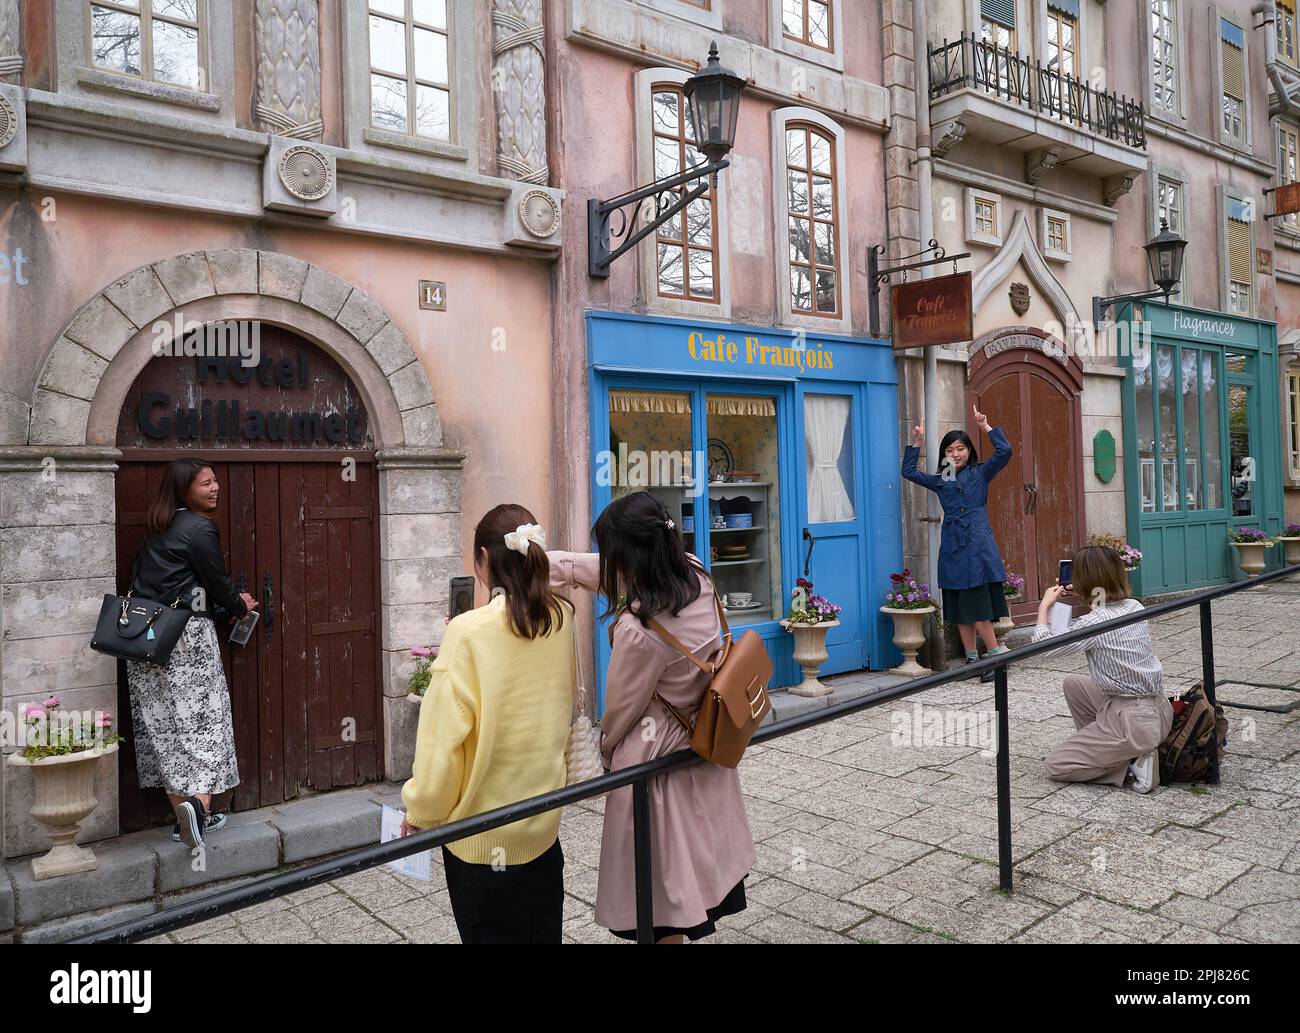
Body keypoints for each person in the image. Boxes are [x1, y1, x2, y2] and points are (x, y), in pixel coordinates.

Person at [548, 491, 754, 943]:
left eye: (612, 554)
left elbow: (622, 710)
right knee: (691, 878)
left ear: (630, 558)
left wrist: (602, 749)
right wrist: (551, 564)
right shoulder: (694, 571)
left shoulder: (640, 631)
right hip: (703, 740)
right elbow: (602, 573)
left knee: (660, 897)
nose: (607, 563)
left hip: (657, 763)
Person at [400, 504, 574, 944]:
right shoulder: (561, 617)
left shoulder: (468, 631)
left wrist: (421, 810)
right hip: (541, 825)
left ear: (483, 558)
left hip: (480, 837)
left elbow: (443, 743)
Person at [126, 458, 258, 849]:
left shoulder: (157, 527)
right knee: (205, 723)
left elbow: (164, 584)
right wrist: (240, 605)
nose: (215, 488)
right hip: (186, 638)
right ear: (185, 489)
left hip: (145, 638)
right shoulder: (200, 528)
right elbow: (215, 583)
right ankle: (198, 809)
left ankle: (182, 817)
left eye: (216, 480)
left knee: (164, 728)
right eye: (206, 483)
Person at [1033, 545, 1173, 794]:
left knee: (1057, 765)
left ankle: (1131, 763)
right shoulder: (1134, 606)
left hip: (1133, 722)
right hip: (1159, 710)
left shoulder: (1094, 623)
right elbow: (1101, 611)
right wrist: (1087, 593)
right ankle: (1114, 749)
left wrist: (1044, 607)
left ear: (1086, 581)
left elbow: (1045, 648)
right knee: (1074, 684)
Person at [901, 405, 1013, 682]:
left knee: (977, 606)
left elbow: (1005, 452)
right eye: (949, 450)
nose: (955, 454)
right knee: (961, 609)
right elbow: (909, 472)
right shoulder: (942, 480)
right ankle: (971, 660)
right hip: (952, 545)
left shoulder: (981, 472)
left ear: (969, 451)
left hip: (976, 542)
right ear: (944, 455)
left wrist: (985, 426)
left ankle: (996, 658)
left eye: (960, 449)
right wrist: (916, 443)